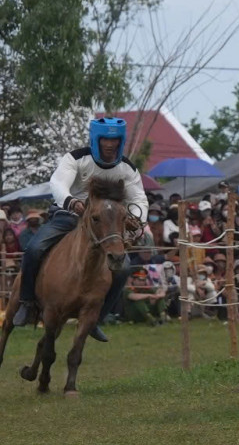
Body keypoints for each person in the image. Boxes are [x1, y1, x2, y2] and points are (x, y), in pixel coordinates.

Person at [12, 116, 145, 340]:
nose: (110, 145)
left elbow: (139, 197)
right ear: (96, 139)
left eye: (115, 140)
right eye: (105, 140)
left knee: (122, 268)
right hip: (67, 216)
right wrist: (72, 202)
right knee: (34, 249)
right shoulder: (75, 158)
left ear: (121, 141)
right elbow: (58, 183)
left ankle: (96, 318)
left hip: (104, 224)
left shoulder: (127, 168)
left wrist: (137, 218)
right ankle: (26, 302)